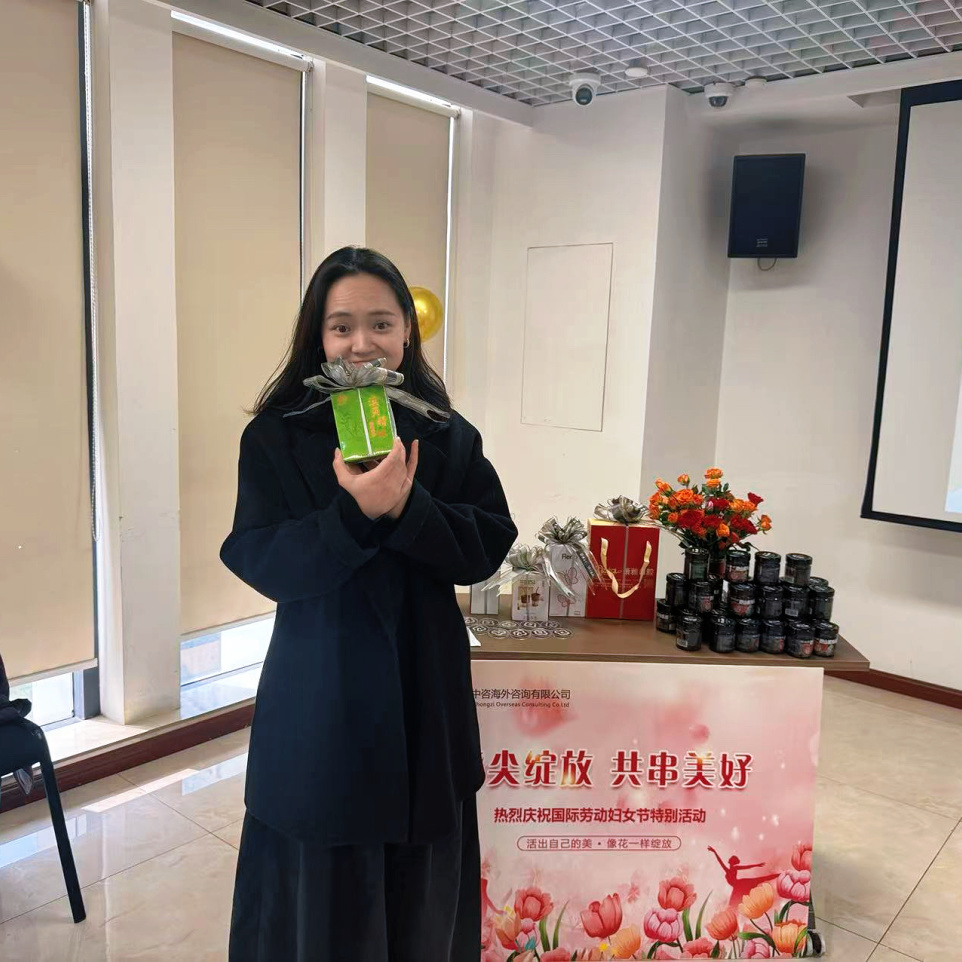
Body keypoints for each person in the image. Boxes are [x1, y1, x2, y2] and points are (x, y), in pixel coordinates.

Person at [221, 247, 517, 962]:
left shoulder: (445, 431)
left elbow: (485, 545)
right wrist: (352, 516)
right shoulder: (276, 435)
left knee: (422, 906)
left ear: (407, 332)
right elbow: (259, 556)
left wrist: (408, 507)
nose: (362, 343)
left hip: (425, 691)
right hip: (321, 694)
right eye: (342, 326)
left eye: (381, 324)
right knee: (322, 906)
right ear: (317, 336)